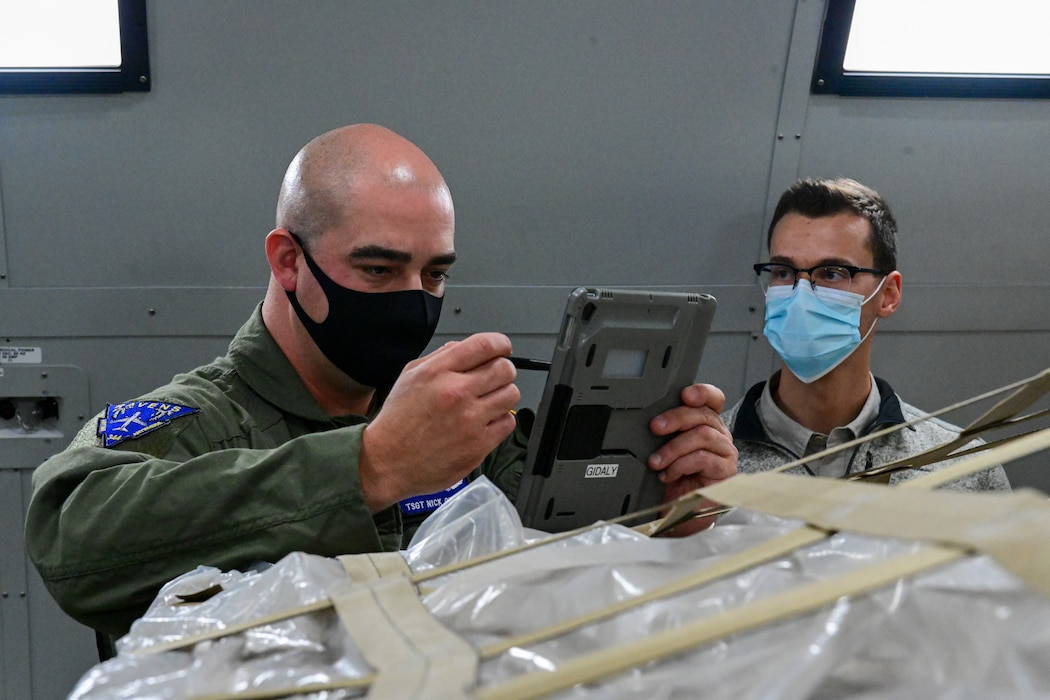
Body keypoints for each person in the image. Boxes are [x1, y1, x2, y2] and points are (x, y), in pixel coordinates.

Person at [24, 124, 737, 647]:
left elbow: (567, 556)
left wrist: (667, 504)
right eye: (376, 270)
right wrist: (369, 468)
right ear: (287, 262)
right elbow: (72, 539)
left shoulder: (464, 427)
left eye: (433, 274)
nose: (413, 300)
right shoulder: (197, 422)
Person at [723, 177, 1009, 491]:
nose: (799, 295)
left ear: (888, 294)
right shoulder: (699, 462)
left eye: (831, 273)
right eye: (783, 272)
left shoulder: (962, 470)